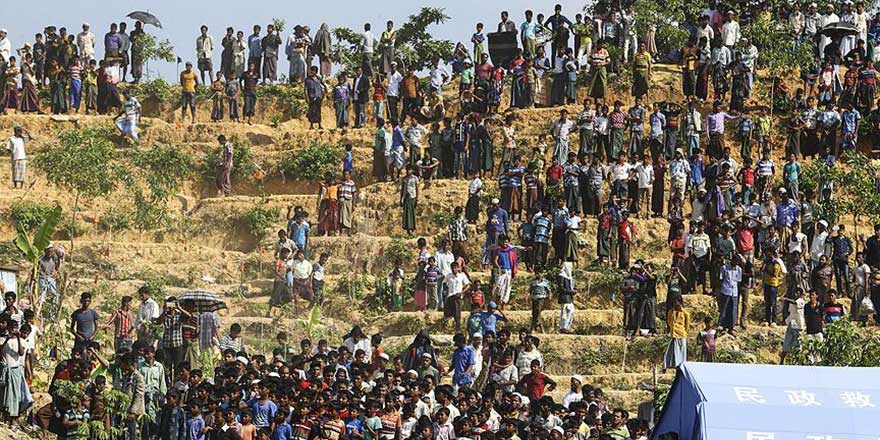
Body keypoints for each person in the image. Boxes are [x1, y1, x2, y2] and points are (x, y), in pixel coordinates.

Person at [663, 296, 690, 370]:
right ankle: (668, 366)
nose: (675, 304)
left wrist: (683, 331)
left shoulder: (685, 313)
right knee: (672, 352)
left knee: (681, 352)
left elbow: (687, 325)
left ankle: (681, 367)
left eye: (676, 302)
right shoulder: (671, 312)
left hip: (681, 335)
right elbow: (669, 322)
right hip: (674, 334)